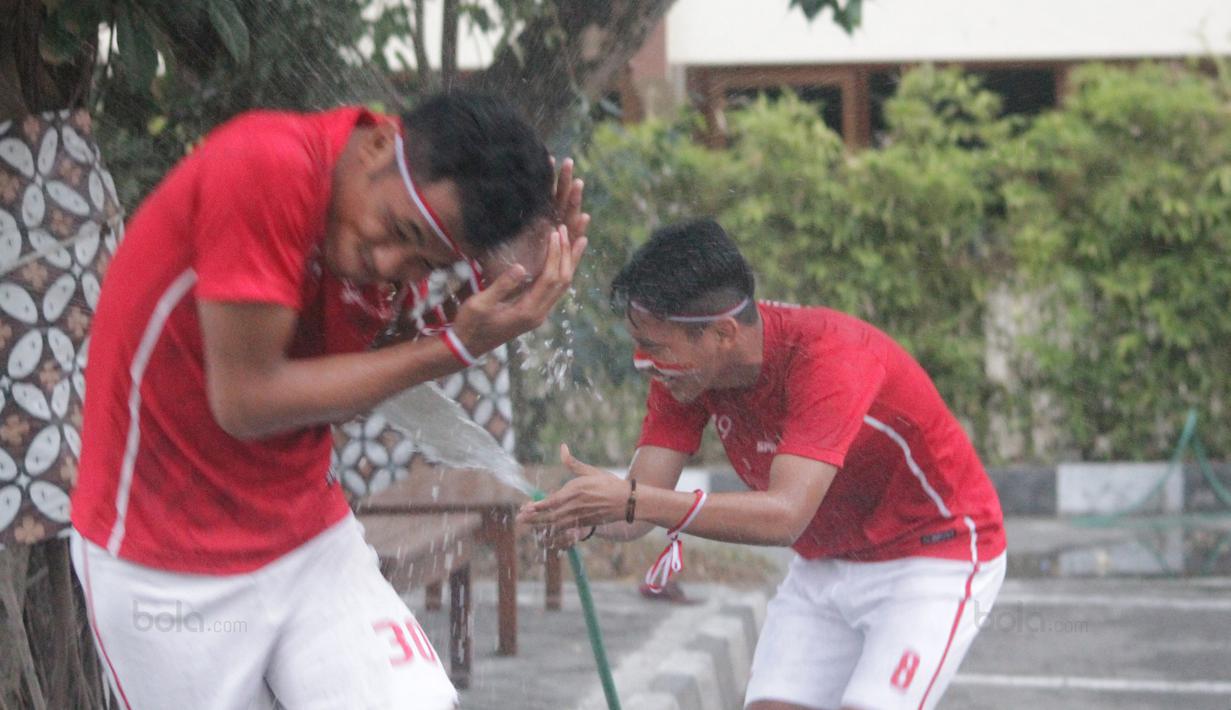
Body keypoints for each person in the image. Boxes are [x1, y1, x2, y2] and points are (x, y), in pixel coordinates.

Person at [70, 91, 588, 709]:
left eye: (424, 261)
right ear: (379, 144)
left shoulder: (384, 227)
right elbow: (246, 402)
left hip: (308, 537)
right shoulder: (266, 166)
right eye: (400, 231)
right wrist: (453, 348)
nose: (390, 262)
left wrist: (503, 281)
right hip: (168, 563)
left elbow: (346, 387)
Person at [519, 219, 1005, 710]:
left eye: (657, 348)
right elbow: (636, 511)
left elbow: (784, 516)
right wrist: (583, 516)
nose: (643, 362)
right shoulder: (685, 376)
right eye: (639, 344)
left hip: (932, 557)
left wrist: (632, 500)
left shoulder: (831, 358)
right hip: (824, 564)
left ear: (723, 333)